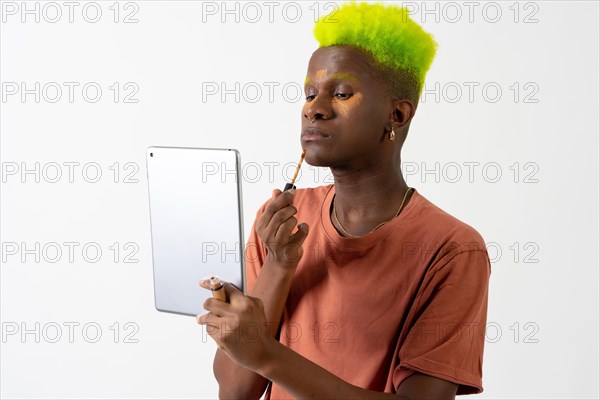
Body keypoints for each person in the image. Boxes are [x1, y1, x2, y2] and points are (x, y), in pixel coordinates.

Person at [197, 2, 492, 399]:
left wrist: (266, 354)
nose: (313, 110)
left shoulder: (452, 250)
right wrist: (280, 266)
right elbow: (235, 392)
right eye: (309, 94)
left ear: (398, 116)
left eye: (340, 93)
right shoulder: (282, 224)